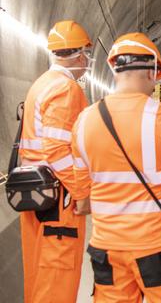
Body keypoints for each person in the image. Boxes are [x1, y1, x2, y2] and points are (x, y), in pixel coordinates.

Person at [71, 32, 161, 302]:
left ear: (115, 69)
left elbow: (82, 199)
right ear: (152, 70)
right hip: (155, 250)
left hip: (106, 249)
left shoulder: (84, 121)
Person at [18, 20, 93, 303]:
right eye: (86, 54)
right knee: (57, 278)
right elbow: (58, 150)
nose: (87, 61)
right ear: (79, 55)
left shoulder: (41, 84)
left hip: (36, 195)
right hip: (58, 200)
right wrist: (82, 192)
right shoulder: (67, 89)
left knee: (38, 275)